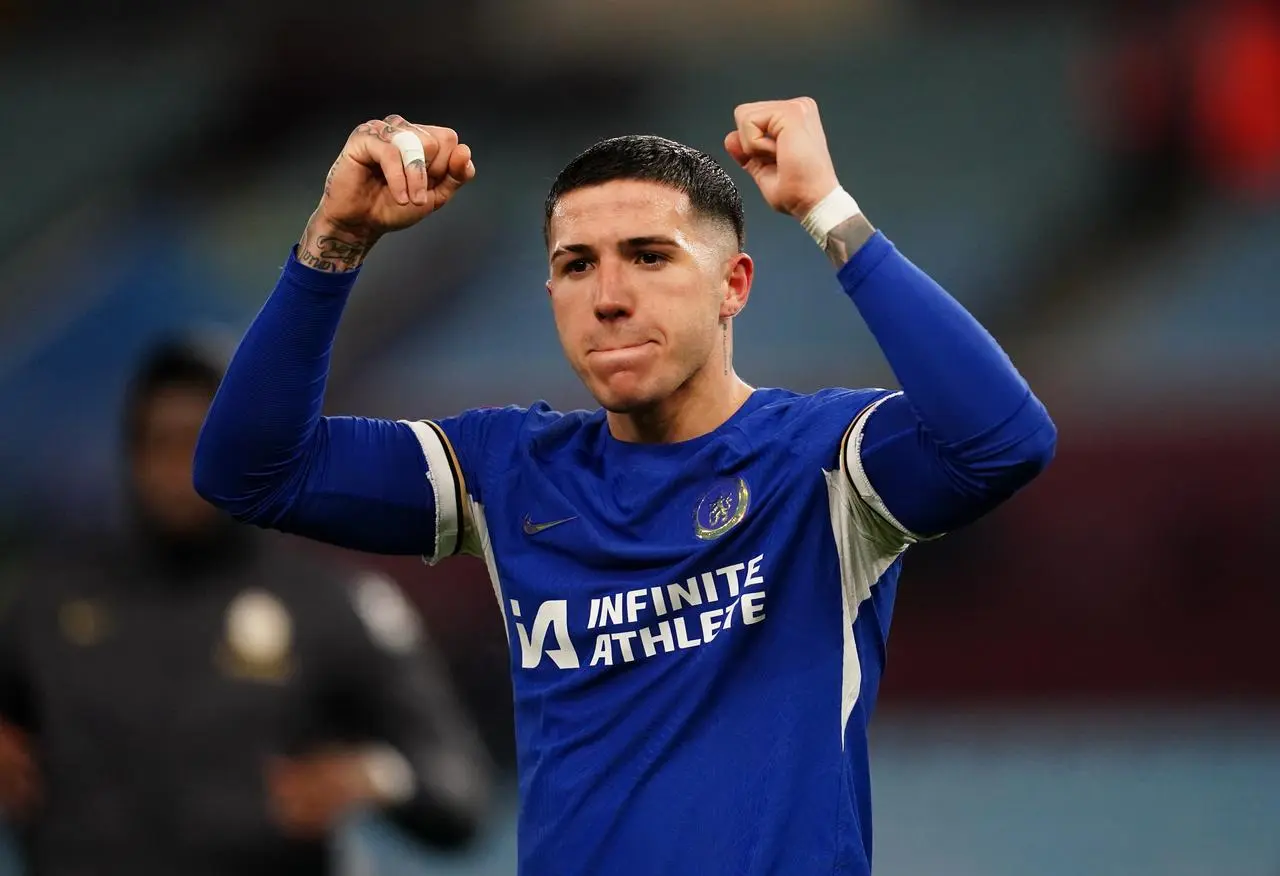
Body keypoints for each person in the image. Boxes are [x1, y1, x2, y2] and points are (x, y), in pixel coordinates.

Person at [193, 99, 1057, 875]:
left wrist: (826, 209)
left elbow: (1003, 440)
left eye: (648, 257)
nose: (608, 296)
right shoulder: (507, 471)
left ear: (734, 286)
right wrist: (336, 239)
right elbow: (250, 471)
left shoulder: (821, 462)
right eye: (576, 266)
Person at [0, 339, 491, 876]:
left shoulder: (332, 604)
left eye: (201, 440)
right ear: (131, 454)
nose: (181, 468)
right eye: (161, 442)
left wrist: (377, 773)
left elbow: (460, 790)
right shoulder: (46, 601)